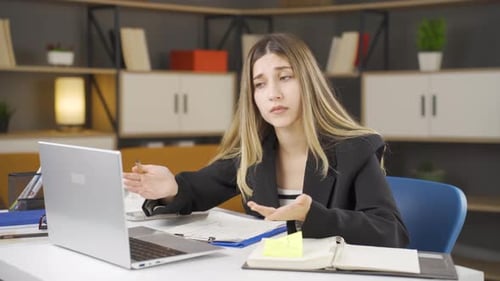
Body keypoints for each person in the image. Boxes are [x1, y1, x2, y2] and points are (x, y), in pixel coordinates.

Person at [123, 33, 409, 248]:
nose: (273, 93)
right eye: (260, 84)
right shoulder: (254, 152)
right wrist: (170, 187)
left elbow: (391, 231)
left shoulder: (355, 149)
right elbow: (197, 188)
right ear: (253, 97)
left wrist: (310, 216)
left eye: (285, 77)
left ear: (308, 83)